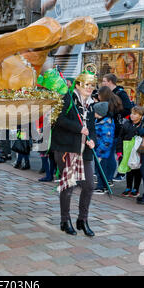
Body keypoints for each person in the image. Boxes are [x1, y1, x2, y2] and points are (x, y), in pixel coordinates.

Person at [51, 68, 97, 237]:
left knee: (89, 185)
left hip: (84, 151)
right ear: (78, 84)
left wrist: (93, 139)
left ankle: (82, 220)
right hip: (68, 149)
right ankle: (65, 219)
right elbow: (59, 120)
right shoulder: (67, 99)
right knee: (69, 186)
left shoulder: (91, 104)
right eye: (87, 84)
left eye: (92, 85)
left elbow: (92, 128)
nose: (90, 88)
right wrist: (79, 128)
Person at [100, 74, 133, 182]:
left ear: (110, 82)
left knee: (114, 152)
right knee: (110, 152)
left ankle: (119, 173)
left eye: (104, 81)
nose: (102, 83)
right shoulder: (108, 93)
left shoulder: (121, 93)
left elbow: (128, 108)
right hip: (108, 126)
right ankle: (106, 175)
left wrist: (117, 114)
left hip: (117, 127)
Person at [97, 85, 124, 185]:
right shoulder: (116, 100)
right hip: (117, 131)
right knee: (111, 156)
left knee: (107, 157)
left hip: (109, 132)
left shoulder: (106, 104)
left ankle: (106, 178)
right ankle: (109, 178)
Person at [118, 105, 144, 198]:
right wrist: (119, 150)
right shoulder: (126, 124)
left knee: (137, 169)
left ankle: (136, 188)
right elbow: (120, 137)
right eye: (131, 113)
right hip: (127, 149)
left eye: (135, 114)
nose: (132, 115)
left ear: (141, 116)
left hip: (138, 150)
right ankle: (128, 187)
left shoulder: (143, 125)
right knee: (128, 169)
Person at [93, 101, 115, 194]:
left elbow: (107, 140)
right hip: (98, 149)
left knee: (102, 170)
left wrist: (100, 152)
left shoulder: (106, 123)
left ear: (100, 113)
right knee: (98, 169)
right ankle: (103, 186)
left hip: (102, 152)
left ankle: (101, 187)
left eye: (95, 111)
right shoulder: (98, 120)